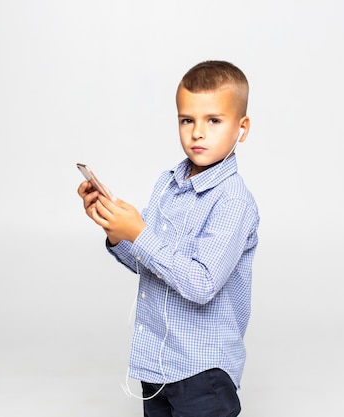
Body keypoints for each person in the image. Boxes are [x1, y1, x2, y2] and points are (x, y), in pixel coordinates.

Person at [77, 60, 260, 417]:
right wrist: (115, 229)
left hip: (202, 370)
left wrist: (139, 233)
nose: (198, 133)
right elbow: (152, 262)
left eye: (214, 120)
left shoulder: (233, 201)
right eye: (187, 120)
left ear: (242, 128)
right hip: (158, 361)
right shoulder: (169, 184)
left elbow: (201, 283)